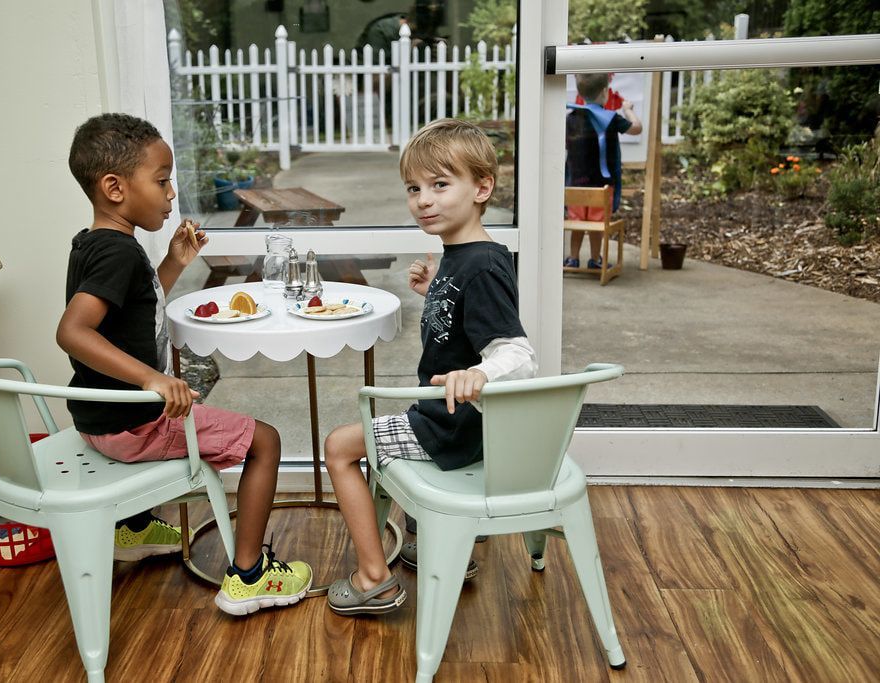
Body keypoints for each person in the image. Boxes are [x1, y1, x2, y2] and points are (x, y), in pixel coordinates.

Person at [58, 113, 311, 615]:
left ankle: (133, 529)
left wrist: (173, 263)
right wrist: (154, 378)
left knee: (202, 410)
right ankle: (248, 576)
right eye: (161, 180)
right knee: (266, 441)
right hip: (132, 426)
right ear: (114, 187)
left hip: (96, 420)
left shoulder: (95, 244)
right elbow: (72, 331)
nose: (171, 193)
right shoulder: (119, 254)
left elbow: (132, 312)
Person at [324, 118, 537, 616]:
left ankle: (374, 578)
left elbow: (518, 354)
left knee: (338, 447)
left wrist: (480, 374)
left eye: (441, 185)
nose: (424, 200)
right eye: (414, 188)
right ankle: (444, 547)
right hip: (457, 419)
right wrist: (435, 292)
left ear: (482, 187)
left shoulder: (480, 267)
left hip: (451, 424)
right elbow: (466, 322)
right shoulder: (468, 256)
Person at [564, 73, 643, 270]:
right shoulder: (611, 118)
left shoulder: (571, 118)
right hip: (602, 186)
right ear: (605, 92)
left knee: (577, 223)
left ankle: (573, 258)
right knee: (597, 225)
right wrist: (628, 110)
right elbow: (637, 128)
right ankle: (595, 259)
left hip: (574, 185)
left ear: (580, 93)